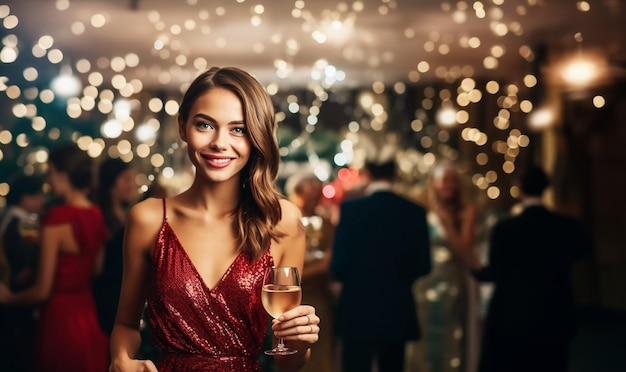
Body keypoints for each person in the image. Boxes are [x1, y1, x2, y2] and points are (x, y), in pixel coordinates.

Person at [108, 66, 320, 372]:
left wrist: (298, 343)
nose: (220, 142)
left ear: (257, 136)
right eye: (205, 125)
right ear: (183, 127)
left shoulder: (281, 220)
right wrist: (121, 360)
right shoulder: (149, 218)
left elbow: (287, 362)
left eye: (238, 129)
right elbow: (126, 325)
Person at [0, 144, 110, 371]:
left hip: (58, 321)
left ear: (63, 174)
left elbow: (42, 291)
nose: (48, 182)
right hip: (87, 315)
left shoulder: (57, 217)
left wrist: (8, 298)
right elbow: (96, 269)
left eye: (50, 173)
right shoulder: (96, 214)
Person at [471, 165, 590, 372]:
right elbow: (582, 253)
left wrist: (474, 270)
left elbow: (496, 273)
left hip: (512, 317)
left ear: (519, 187)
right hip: (554, 315)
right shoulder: (566, 226)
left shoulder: (505, 229)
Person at [329, 159, 432, 372]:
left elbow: (338, 265)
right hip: (397, 307)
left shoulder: (350, 210)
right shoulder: (414, 211)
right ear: (394, 174)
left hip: (357, 308)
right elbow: (423, 265)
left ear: (367, 174)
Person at [412, 162, 481, 372]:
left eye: (452, 180)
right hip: (424, 284)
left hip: (452, 284)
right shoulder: (423, 209)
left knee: (452, 336)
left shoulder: (466, 211)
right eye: (444, 180)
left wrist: (447, 224)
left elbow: (465, 251)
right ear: (434, 184)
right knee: (423, 339)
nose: (448, 185)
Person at [285, 173, 337, 372]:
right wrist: (321, 267)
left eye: (318, 196)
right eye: (312, 196)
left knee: (321, 356)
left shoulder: (324, 221)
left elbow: (332, 261)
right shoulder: (281, 221)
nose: (317, 202)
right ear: (297, 194)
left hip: (320, 299)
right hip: (289, 302)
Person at [0, 175, 46, 372]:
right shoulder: (19, 222)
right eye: (38, 195)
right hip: (15, 299)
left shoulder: (13, 219)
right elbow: (26, 261)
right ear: (24, 198)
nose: (43, 200)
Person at [93, 157, 138, 335]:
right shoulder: (100, 216)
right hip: (105, 298)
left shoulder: (129, 214)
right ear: (111, 182)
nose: (132, 185)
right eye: (126, 179)